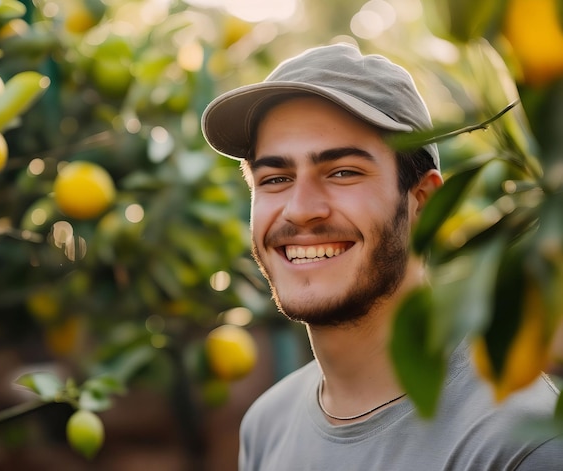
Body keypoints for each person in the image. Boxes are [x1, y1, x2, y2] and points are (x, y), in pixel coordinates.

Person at [201, 43, 562, 470]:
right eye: (276, 178)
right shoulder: (266, 424)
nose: (300, 208)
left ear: (422, 202)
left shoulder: (516, 441)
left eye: (342, 172)